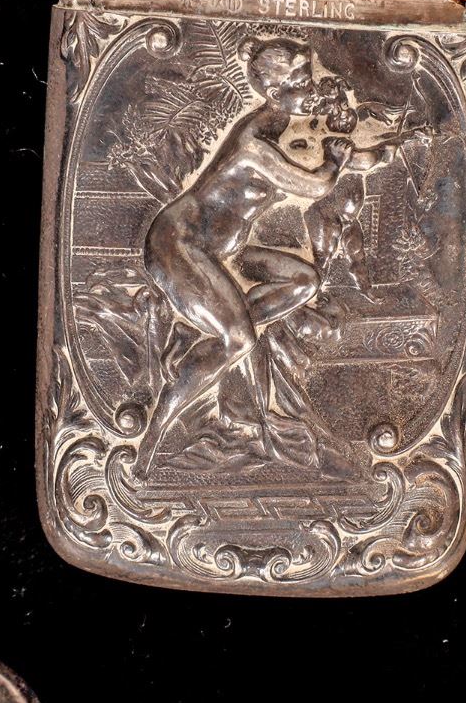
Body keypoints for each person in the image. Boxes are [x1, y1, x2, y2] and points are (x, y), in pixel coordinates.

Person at [139, 33, 400, 472]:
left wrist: (380, 152)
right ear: (275, 93)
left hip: (224, 251)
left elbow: (336, 158)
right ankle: (154, 436)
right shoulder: (254, 146)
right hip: (178, 246)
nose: (313, 88)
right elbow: (314, 184)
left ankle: (203, 330)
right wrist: (336, 162)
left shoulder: (282, 131)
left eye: (310, 77)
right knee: (239, 339)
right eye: (302, 82)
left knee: (303, 281)